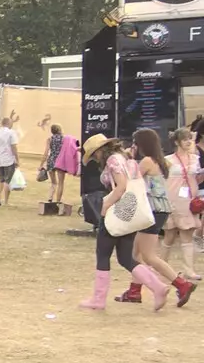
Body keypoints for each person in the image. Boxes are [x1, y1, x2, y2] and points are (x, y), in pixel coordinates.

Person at [79, 135, 155, 311]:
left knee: (103, 254)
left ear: (99, 151)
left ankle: (98, 299)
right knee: (126, 257)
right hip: (129, 212)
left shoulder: (113, 161)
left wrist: (105, 206)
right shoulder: (125, 157)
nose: (94, 159)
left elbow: (121, 186)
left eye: (93, 155)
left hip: (116, 212)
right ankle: (157, 287)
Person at [127, 127, 196, 307]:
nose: (133, 146)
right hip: (159, 210)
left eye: (135, 143)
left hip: (151, 211)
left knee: (149, 256)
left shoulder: (147, 162)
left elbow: (129, 182)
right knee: (136, 253)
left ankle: (181, 284)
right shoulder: (161, 161)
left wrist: (129, 159)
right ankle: (134, 290)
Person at [164, 127, 201, 281]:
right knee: (169, 235)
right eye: (185, 139)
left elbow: (197, 178)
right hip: (172, 199)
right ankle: (161, 265)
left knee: (187, 234)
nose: (188, 142)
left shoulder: (195, 159)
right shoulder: (168, 160)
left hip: (189, 201)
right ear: (177, 142)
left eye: (189, 139)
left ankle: (189, 270)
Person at [44, 124, 78, 207]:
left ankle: (50, 198)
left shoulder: (49, 139)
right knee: (61, 183)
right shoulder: (64, 139)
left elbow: (46, 152)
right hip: (60, 161)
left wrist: (42, 164)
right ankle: (58, 201)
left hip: (51, 160)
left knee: (53, 183)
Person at [0, 118, 20, 207]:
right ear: (8, 123)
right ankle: (6, 201)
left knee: (1, 179)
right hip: (9, 159)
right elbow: (14, 147)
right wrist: (17, 159)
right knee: (8, 181)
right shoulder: (11, 133)